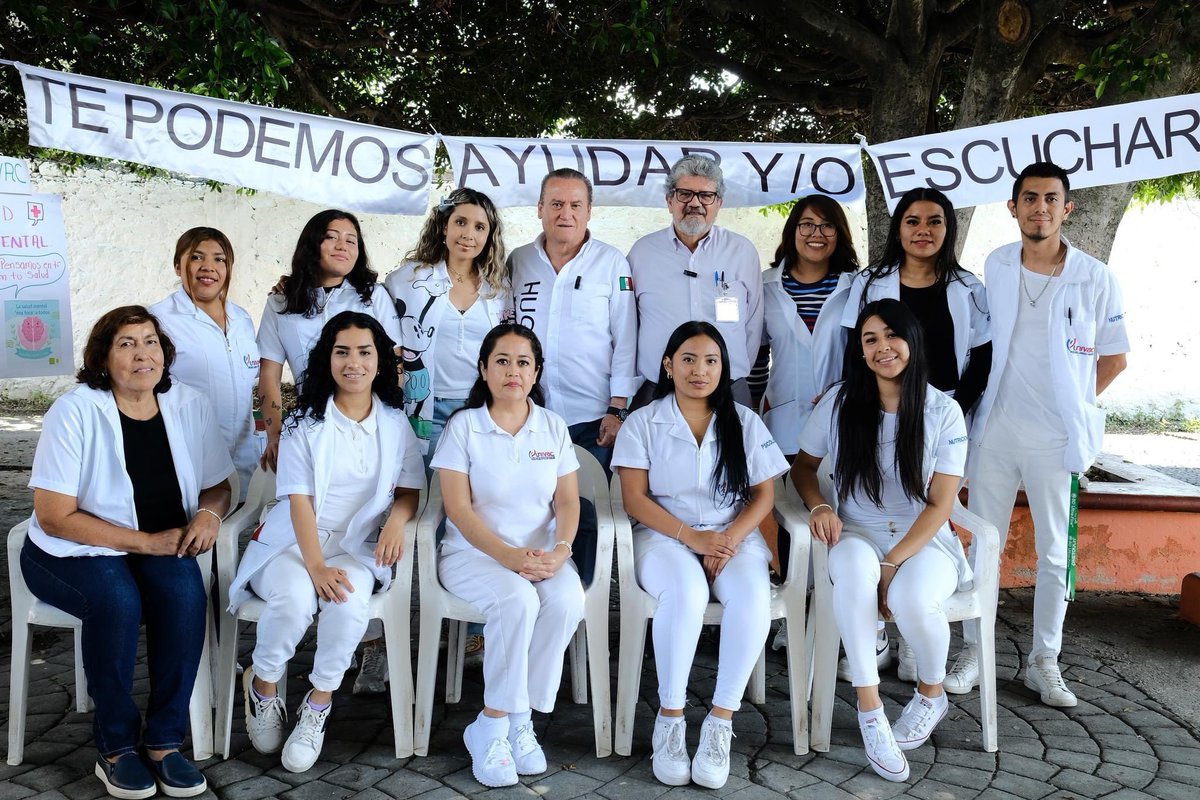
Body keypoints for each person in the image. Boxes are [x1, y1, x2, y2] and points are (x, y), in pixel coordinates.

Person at [22, 306, 234, 799]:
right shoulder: (74, 411)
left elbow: (217, 484)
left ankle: (163, 743)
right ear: (103, 358)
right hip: (71, 549)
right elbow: (54, 516)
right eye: (127, 344)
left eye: (151, 341)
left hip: (156, 545)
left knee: (185, 595)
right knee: (117, 601)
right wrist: (145, 543)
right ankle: (116, 748)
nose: (143, 354)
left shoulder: (189, 403)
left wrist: (209, 514)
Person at [947, 162, 1129, 706]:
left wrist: (1071, 405)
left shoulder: (1095, 277)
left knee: (1053, 553)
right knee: (984, 544)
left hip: (1056, 439)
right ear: (1014, 207)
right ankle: (973, 651)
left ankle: (1043, 661)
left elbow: (1114, 359)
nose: (1040, 208)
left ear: (1066, 208)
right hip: (996, 430)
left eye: (1051, 198)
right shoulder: (998, 264)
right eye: (1030, 198)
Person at [228, 311, 423, 773]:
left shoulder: (395, 423)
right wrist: (315, 566)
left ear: (380, 361)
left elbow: (410, 489)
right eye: (342, 352)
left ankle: (317, 704)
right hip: (295, 543)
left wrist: (396, 522)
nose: (353, 363)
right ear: (326, 360)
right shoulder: (304, 422)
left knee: (349, 603)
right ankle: (264, 686)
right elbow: (299, 501)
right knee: (296, 599)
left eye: (364, 352)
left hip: (356, 546)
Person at [793, 299, 970, 783]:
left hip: (922, 538)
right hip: (856, 530)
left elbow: (940, 504)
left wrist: (893, 563)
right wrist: (819, 505)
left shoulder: (943, 410)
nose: (882, 347)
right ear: (861, 350)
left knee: (913, 599)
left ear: (912, 340)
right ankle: (870, 711)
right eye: (870, 339)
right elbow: (803, 468)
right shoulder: (839, 402)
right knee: (853, 571)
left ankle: (931, 694)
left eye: (892, 335)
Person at [611, 321, 788, 790]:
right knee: (686, 593)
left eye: (711, 361)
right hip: (664, 536)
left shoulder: (744, 421)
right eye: (688, 359)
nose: (700, 370)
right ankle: (670, 720)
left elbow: (763, 496)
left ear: (723, 368)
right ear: (668, 366)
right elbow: (634, 500)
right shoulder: (643, 422)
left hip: (733, 536)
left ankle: (720, 722)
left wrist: (727, 539)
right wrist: (693, 538)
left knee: (752, 597)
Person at [431, 323, 584, 789]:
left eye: (523, 362)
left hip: (540, 554)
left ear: (536, 372)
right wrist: (509, 556)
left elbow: (568, 502)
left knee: (567, 600)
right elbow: (458, 509)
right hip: (473, 555)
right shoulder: (463, 427)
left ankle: (519, 719)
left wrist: (561, 552)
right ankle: (494, 724)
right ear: (484, 369)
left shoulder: (552, 426)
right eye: (502, 361)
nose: (512, 371)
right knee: (518, 600)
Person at [257, 209, 402, 694]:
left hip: (362, 417)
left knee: (363, 519)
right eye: (331, 237)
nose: (342, 246)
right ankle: (276, 658)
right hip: (311, 425)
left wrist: (384, 422)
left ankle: (372, 647)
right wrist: (273, 432)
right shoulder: (282, 301)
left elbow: (390, 360)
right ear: (312, 244)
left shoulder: (372, 296)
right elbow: (270, 374)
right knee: (308, 514)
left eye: (351, 239)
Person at [508, 168, 639, 586]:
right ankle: (530, 587)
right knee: (526, 508)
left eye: (575, 205)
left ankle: (582, 597)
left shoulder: (611, 262)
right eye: (556, 203)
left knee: (584, 512)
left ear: (589, 211)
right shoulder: (518, 261)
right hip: (528, 416)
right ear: (540, 209)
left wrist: (618, 409)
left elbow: (626, 341)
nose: (565, 213)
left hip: (591, 418)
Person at [758, 194, 861, 654]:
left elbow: (867, 349)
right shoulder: (766, 285)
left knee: (842, 518)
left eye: (826, 226)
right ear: (792, 231)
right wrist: (751, 411)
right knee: (792, 523)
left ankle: (838, 621)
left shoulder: (855, 286)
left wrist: (846, 388)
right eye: (806, 224)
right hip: (783, 419)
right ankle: (793, 615)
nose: (816, 234)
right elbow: (757, 354)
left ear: (839, 234)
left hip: (844, 420)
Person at [385, 187, 513, 461]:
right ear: (444, 226)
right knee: (424, 484)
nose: (468, 234)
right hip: (425, 409)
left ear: (489, 236)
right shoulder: (407, 281)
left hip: (482, 409)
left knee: (477, 486)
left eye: (479, 227)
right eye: (460, 222)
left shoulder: (499, 288)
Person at [626, 155, 763, 408]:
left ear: (719, 203)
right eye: (685, 194)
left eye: (706, 195)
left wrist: (729, 369)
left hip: (728, 390)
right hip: (658, 390)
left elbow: (753, 325)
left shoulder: (742, 251)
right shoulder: (642, 253)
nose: (695, 203)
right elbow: (628, 325)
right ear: (669, 201)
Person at [841, 187, 991, 417]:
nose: (923, 230)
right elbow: (854, 351)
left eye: (934, 222)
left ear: (948, 229)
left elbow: (982, 361)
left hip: (948, 407)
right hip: (883, 409)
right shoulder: (869, 283)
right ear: (898, 230)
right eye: (912, 222)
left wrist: (954, 412)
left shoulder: (969, 287)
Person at [150, 227, 260, 497]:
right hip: (189, 466)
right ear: (178, 266)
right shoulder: (158, 321)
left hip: (244, 464)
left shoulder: (242, 319)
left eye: (219, 259)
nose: (208, 266)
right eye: (197, 257)